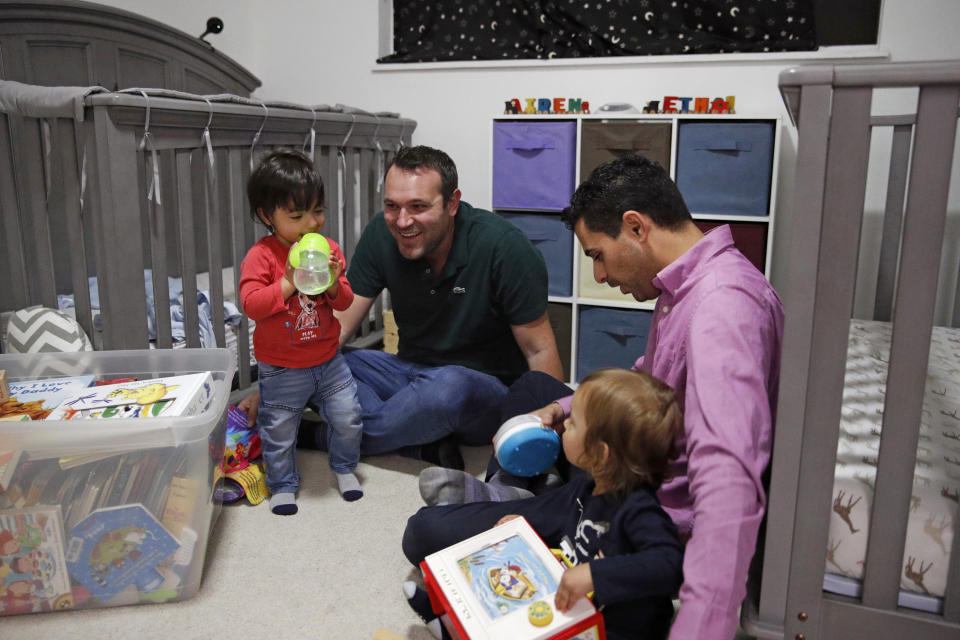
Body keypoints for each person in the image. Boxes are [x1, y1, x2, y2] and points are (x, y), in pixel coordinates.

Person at [409, 153, 785, 640]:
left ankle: (528, 500)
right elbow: (645, 377)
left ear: (635, 227)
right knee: (533, 390)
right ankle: (524, 493)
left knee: (423, 532)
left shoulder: (722, 311)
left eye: (596, 255)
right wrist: (561, 408)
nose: (601, 276)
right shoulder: (687, 285)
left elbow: (729, 482)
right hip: (625, 456)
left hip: (631, 501)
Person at [401, 368, 685, 640]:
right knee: (504, 577)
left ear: (599, 453)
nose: (564, 428)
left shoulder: (639, 510)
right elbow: (570, 537)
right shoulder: (591, 485)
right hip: (570, 591)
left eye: (573, 425)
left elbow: (672, 566)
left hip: (613, 628)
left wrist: (594, 574)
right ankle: (453, 621)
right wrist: (526, 531)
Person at [331, 144, 563, 467]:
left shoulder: (504, 247)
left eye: (417, 206)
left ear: (452, 203)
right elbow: (337, 326)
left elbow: (540, 351)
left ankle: (328, 436)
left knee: (448, 387)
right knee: (319, 363)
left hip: (481, 390)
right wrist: (279, 388)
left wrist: (548, 430)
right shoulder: (381, 235)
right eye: (391, 206)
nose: (401, 221)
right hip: (410, 374)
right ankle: (421, 442)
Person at [238, 149, 365, 514]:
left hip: (328, 360)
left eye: (318, 211)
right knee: (278, 429)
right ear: (267, 216)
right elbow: (251, 304)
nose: (311, 223)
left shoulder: (330, 251)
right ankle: (282, 485)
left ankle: (344, 468)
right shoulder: (262, 257)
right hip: (281, 366)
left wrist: (332, 282)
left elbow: (343, 303)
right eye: (297, 215)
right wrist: (289, 283)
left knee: (348, 417)